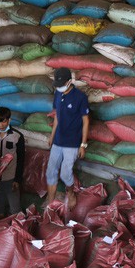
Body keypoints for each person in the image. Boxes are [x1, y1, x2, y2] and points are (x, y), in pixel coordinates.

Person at [45, 67, 90, 209]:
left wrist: (83, 145)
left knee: (65, 174)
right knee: (50, 171)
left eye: (61, 85)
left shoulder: (80, 97)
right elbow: (57, 116)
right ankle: (50, 202)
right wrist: (52, 136)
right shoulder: (58, 94)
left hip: (72, 143)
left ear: (70, 81)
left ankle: (70, 192)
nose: (59, 88)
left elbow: (86, 121)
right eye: (57, 85)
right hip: (58, 140)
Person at [0, 107, 25, 216]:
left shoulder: (17, 136)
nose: (1, 125)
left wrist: (17, 179)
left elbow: (21, 159)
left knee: (15, 210)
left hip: (11, 179)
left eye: (3, 121)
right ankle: (1, 230)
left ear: (9, 120)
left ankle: (17, 231)